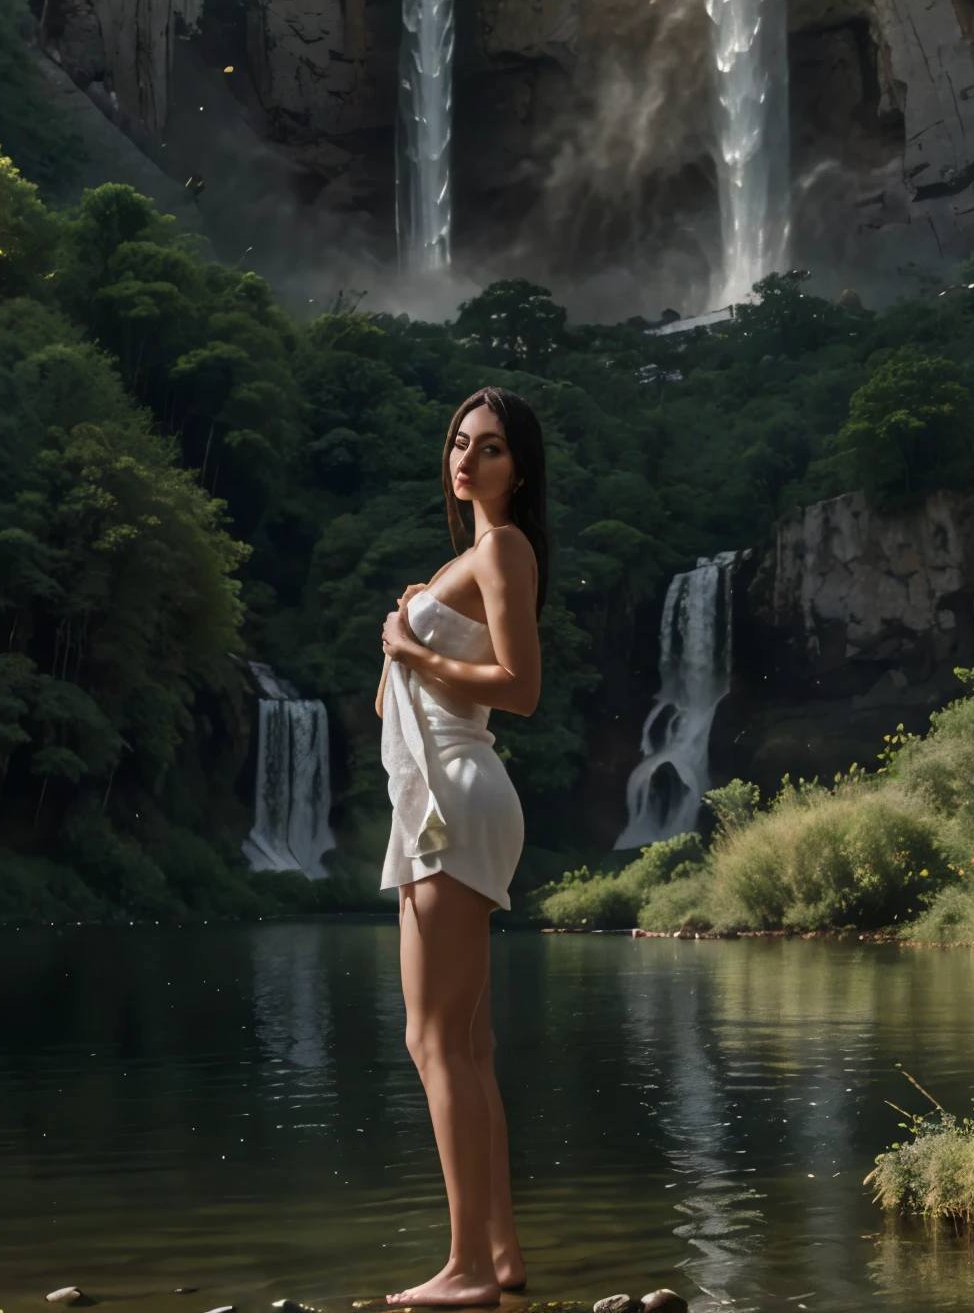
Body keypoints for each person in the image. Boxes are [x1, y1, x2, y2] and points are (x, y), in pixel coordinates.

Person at [375, 385, 545, 1308]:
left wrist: (415, 649)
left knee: (433, 1039)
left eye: (488, 447)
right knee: (466, 1045)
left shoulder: (501, 546)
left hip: (462, 794)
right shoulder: (464, 559)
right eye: (458, 442)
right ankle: (502, 1255)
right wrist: (405, 637)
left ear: (519, 468)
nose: (466, 459)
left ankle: (466, 1268)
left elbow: (519, 689)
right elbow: (390, 708)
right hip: (435, 797)